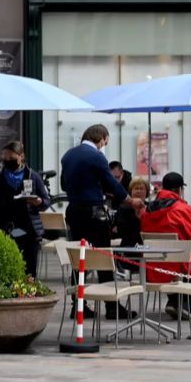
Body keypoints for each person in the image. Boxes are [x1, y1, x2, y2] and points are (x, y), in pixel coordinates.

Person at [61, 124, 145, 320]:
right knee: (103, 256)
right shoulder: (96, 156)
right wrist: (130, 200)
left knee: (79, 258)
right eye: (104, 143)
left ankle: (78, 305)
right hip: (94, 213)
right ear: (100, 138)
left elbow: (65, 184)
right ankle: (112, 306)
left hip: (74, 210)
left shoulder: (68, 156)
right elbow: (111, 182)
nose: (103, 147)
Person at [140, 172, 191, 319]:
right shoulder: (181, 209)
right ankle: (188, 304)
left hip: (155, 265)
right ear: (178, 190)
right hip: (181, 265)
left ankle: (174, 301)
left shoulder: (148, 210)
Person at [0, 141, 51, 278]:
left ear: (21, 157)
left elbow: (46, 200)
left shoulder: (33, 177)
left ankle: (28, 294)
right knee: (5, 268)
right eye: (5, 159)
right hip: (4, 228)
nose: (8, 162)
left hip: (28, 229)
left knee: (29, 270)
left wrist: (38, 201)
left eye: (11, 159)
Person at [113, 177, 149, 249]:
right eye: (136, 188)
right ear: (131, 191)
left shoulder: (150, 208)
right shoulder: (123, 208)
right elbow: (119, 231)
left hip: (147, 246)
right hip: (127, 247)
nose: (138, 191)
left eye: (141, 189)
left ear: (146, 191)